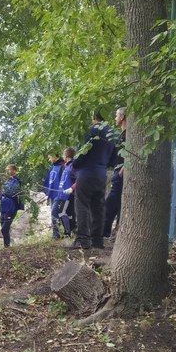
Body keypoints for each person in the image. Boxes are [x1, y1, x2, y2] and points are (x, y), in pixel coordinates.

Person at [71, 111, 119, 249]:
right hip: (101, 174)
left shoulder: (91, 131)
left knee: (82, 205)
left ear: (93, 118)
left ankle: (82, 239)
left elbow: (82, 153)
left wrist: (75, 164)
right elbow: (114, 158)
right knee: (98, 207)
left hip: (86, 173)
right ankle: (97, 240)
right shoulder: (113, 134)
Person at [104, 107, 126, 239]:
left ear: (122, 117)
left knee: (111, 202)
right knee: (117, 203)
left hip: (121, 173)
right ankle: (112, 231)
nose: (115, 118)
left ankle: (104, 231)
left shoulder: (128, 134)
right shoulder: (121, 134)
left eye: (117, 115)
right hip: (117, 171)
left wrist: (124, 167)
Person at [51, 147, 76, 239]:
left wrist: (71, 189)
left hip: (67, 196)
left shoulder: (72, 165)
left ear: (66, 155)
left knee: (58, 212)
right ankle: (68, 232)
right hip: (61, 195)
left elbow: (79, 179)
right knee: (60, 213)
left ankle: (68, 233)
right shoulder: (66, 166)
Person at [0, 164, 22, 247]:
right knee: (5, 230)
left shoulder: (16, 181)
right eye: (8, 170)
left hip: (11, 208)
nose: (9, 171)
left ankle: (8, 244)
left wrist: (4, 193)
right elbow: (1, 194)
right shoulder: (6, 181)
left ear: (15, 171)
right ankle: (7, 246)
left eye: (11, 169)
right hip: (3, 207)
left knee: (4, 229)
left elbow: (12, 193)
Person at [44, 153, 65, 238]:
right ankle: (56, 234)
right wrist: (47, 193)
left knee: (55, 213)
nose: (49, 160)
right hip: (52, 195)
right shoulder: (52, 167)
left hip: (59, 194)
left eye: (50, 157)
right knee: (55, 214)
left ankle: (57, 235)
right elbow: (48, 180)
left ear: (56, 157)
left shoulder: (62, 166)